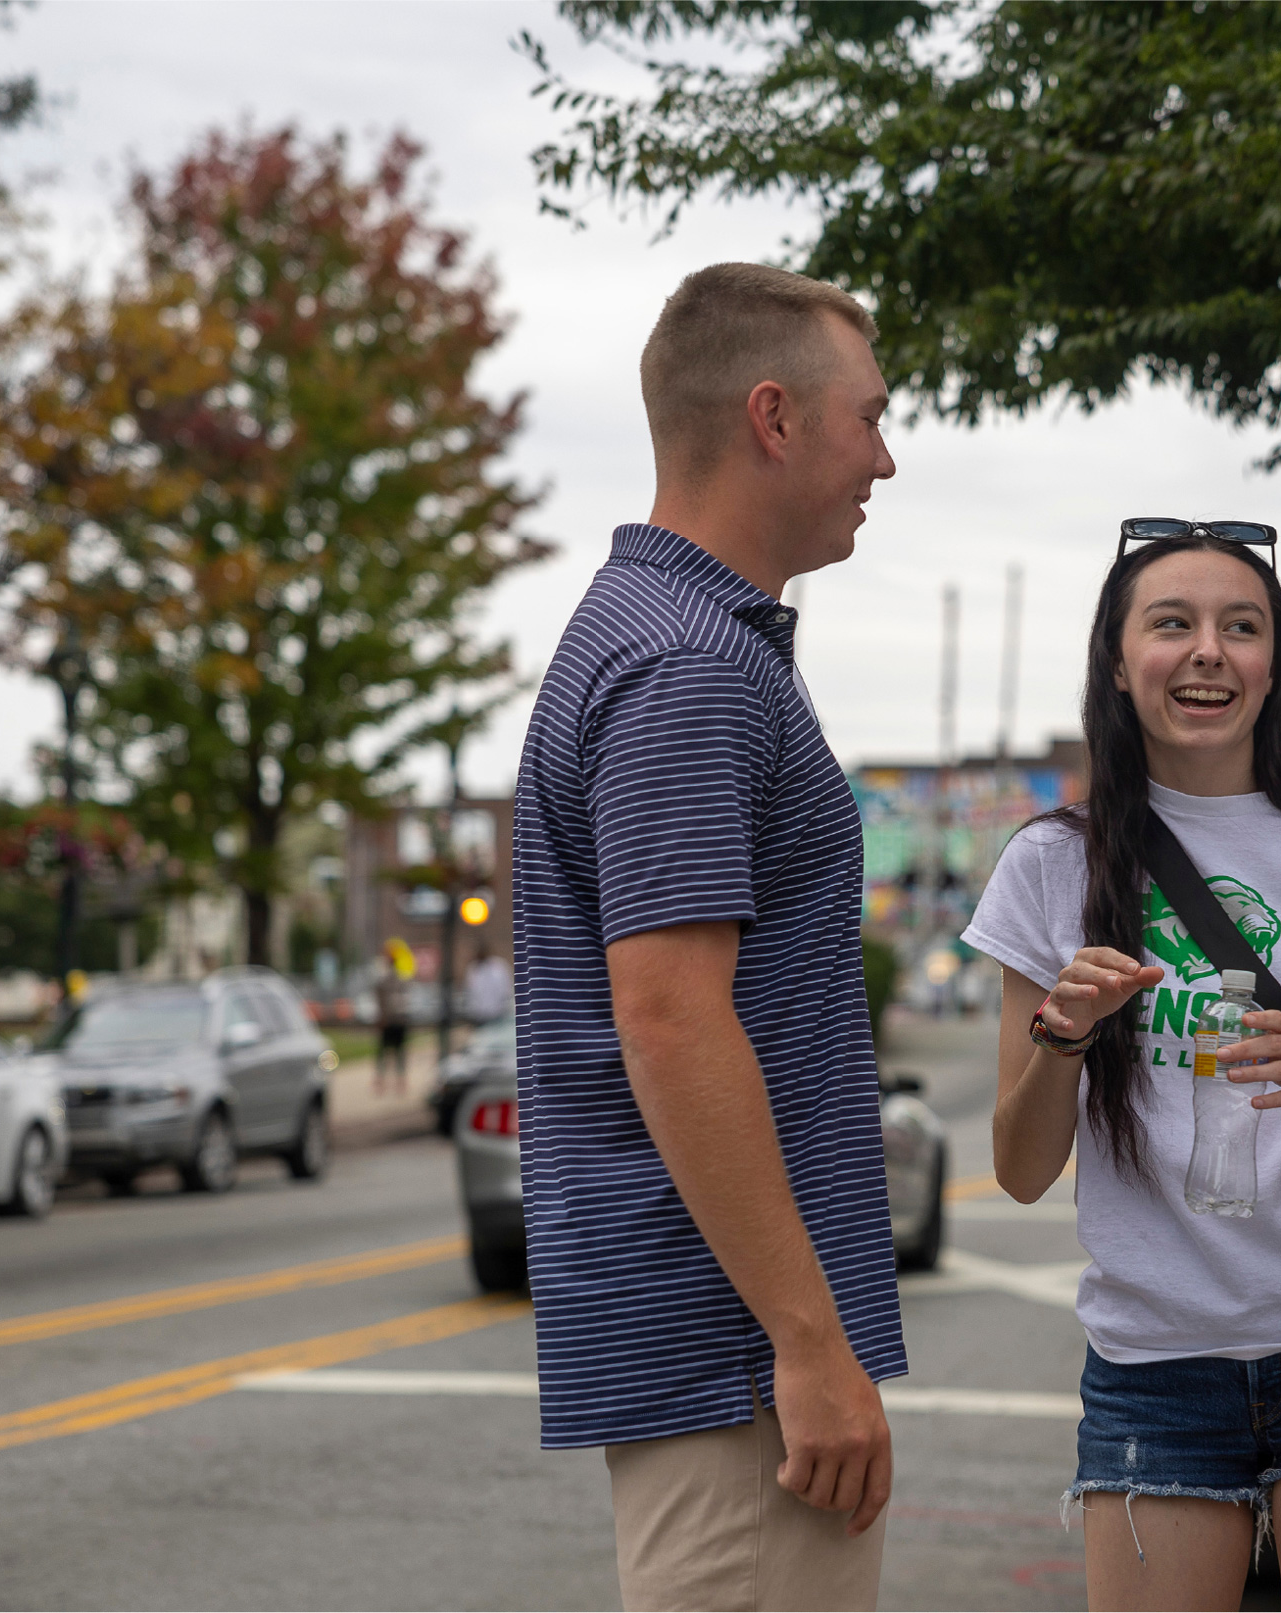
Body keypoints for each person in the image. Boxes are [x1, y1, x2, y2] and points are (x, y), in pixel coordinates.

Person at [962, 523, 1281, 1611]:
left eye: (1242, 627)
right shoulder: (1053, 863)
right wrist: (1065, 1034)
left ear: (1275, 665)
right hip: (1154, 1362)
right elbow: (1020, 1167)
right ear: (1118, 657)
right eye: (1171, 624)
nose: (1208, 652)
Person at [512, 262, 903, 1612]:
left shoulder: (673, 637)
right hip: (731, 1356)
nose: (888, 460)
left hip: (719, 1349)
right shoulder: (688, 665)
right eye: (872, 418)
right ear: (776, 418)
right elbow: (670, 1015)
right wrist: (805, 1343)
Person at [371, 945, 411, 1094]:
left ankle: (397, 1082)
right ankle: (383, 1082)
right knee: (385, 1054)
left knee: (395, 1053)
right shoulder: (391, 981)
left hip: (395, 1021)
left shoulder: (397, 981)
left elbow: (399, 1002)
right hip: (392, 1021)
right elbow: (380, 1001)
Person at [463, 945, 510, 1025]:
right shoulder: (473, 968)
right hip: (479, 1016)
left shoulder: (498, 966)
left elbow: (505, 988)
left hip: (499, 1014)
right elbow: (470, 991)